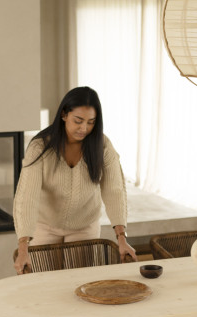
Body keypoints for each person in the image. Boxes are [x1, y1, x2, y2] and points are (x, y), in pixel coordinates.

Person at [13, 86, 137, 274]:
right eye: (78, 121)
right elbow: (26, 197)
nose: (84, 128)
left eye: (90, 122)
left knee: (81, 282)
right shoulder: (40, 147)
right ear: (64, 114)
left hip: (84, 227)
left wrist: (121, 238)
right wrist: (23, 247)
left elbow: (115, 191)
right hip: (45, 226)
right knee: (43, 283)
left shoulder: (102, 145)